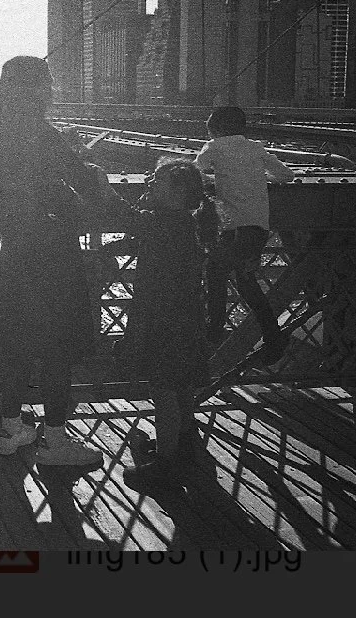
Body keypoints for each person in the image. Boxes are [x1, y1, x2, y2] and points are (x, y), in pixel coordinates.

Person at [0, 56, 123, 467]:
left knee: (17, 343)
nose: (51, 87)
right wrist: (94, 181)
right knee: (57, 347)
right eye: (45, 81)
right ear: (34, 88)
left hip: (17, 252)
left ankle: (10, 428)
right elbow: (82, 181)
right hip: (53, 253)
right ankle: (55, 440)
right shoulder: (42, 134)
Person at [112, 159, 217, 489]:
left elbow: (127, 218)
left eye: (157, 181)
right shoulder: (184, 223)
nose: (150, 184)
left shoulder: (162, 222)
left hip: (164, 319)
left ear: (177, 192)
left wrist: (101, 186)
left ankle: (165, 464)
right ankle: (184, 444)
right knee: (181, 384)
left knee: (163, 390)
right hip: (186, 317)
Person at [194, 106, 296, 366]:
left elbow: (193, 174)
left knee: (215, 272)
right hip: (257, 228)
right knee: (247, 283)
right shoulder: (255, 148)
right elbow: (287, 175)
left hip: (233, 228)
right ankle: (273, 337)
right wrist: (258, 179)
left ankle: (214, 331)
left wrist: (214, 182)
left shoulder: (214, 147)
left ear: (215, 129)